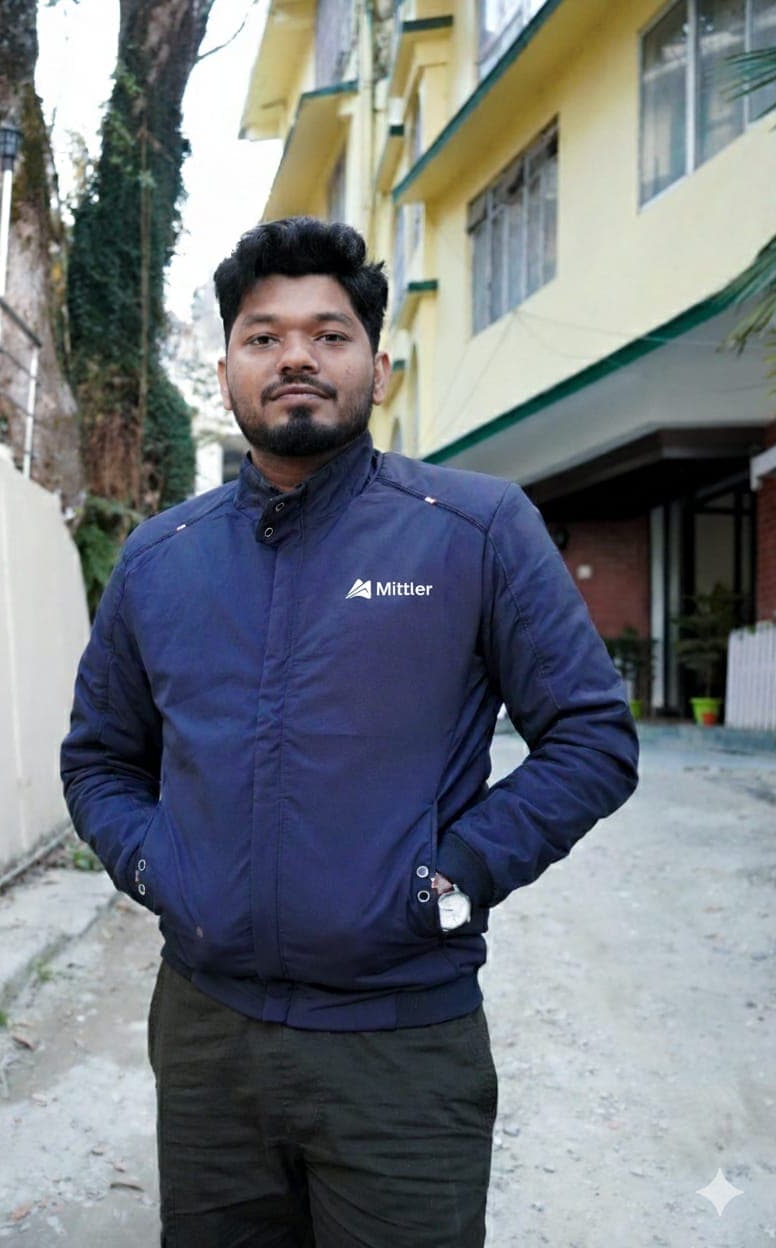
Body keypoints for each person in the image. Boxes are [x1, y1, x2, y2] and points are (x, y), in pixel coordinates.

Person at [61, 216, 639, 1247]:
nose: (294, 356)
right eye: (262, 335)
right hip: (206, 1043)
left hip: (401, 1049)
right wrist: (162, 872)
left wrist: (448, 882)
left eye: (327, 335)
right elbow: (101, 759)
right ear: (227, 366)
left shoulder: (472, 529)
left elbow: (591, 740)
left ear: (376, 365)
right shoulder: (160, 561)